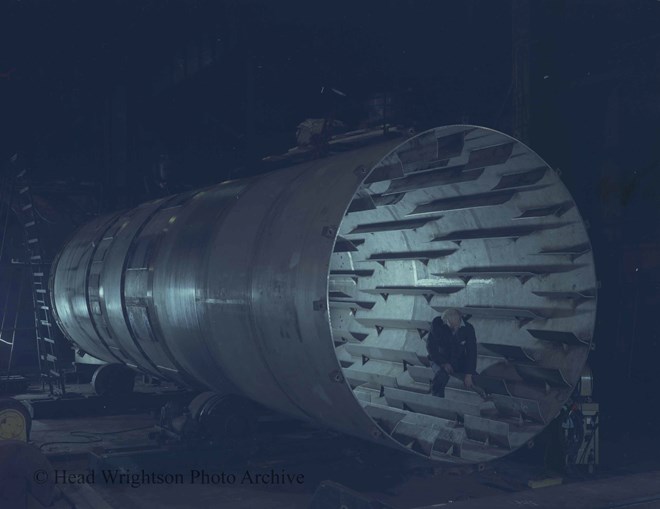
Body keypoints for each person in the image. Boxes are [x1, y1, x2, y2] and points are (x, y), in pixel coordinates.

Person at [426, 308, 478, 398]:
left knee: (476, 379)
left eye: (456, 325)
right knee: (442, 376)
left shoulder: (468, 328)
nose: (454, 329)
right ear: (445, 322)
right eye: (451, 326)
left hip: (458, 360)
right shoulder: (437, 324)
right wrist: (443, 363)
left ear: (460, 319)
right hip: (439, 358)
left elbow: (472, 351)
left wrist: (469, 373)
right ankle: (436, 399)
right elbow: (431, 347)